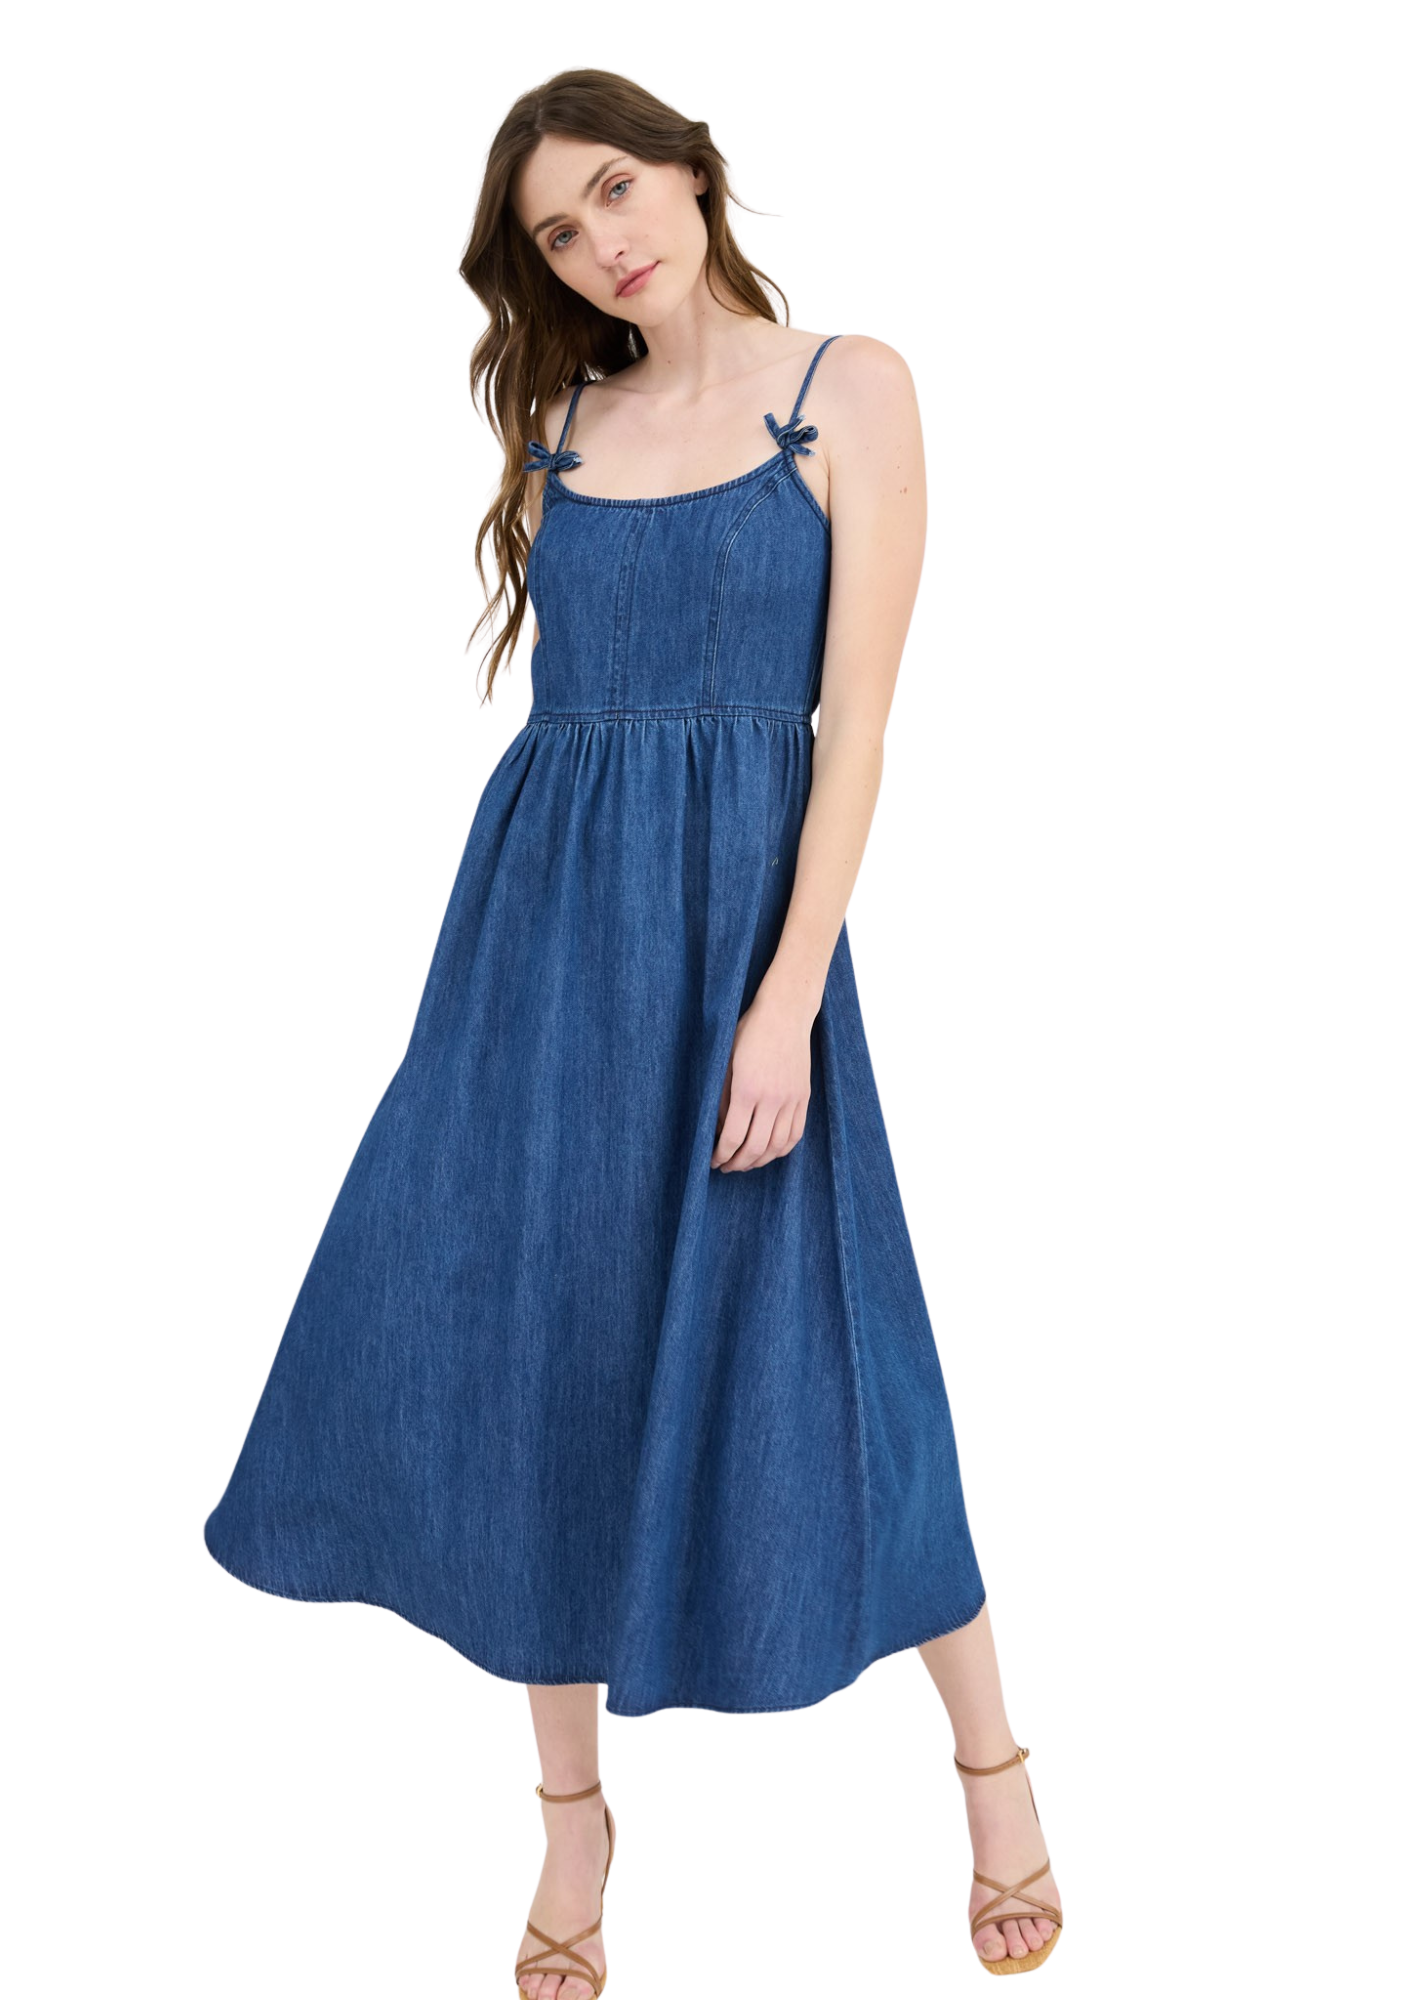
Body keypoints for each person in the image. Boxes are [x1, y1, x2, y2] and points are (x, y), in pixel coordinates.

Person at [200, 66, 1063, 1993]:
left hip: (749, 946)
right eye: (557, 232)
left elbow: (858, 730)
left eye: (612, 189)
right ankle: (572, 1823)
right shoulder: (551, 422)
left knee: (841, 1356)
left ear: (689, 167)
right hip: (535, 950)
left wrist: (785, 999)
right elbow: (557, 725)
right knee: (535, 1358)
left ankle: (995, 1776)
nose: (602, 242)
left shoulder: (852, 384)